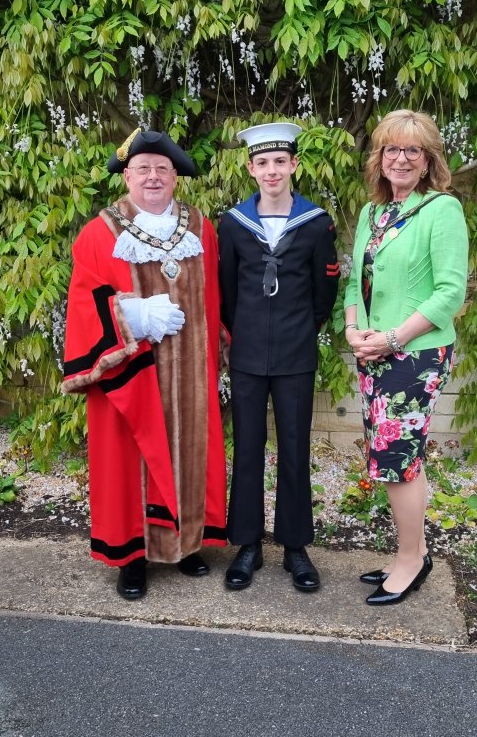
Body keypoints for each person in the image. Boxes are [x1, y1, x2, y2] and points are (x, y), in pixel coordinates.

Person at [63, 129, 227, 599]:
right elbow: (82, 299)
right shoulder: (101, 231)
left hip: (193, 371)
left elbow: (219, 294)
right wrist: (131, 315)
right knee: (129, 458)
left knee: (192, 450)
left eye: (162, 169)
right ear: (127, 176)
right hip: (131, 372)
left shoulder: (201, 227)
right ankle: (131, 557)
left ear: (175, 176)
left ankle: (187, 543)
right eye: (143, 170)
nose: (153, 177)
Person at [344, 109, 469, 606]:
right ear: (379, 159)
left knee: (398, 460)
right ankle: (408, 553)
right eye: (391, 149)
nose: (400, 158)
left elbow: (449, 294)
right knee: (394, 457)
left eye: (411, 151)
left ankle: (412, 561)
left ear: (427, 161)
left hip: (414, 352)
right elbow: (355, 281)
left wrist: (393, 338)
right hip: (372, 351)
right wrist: (354, 329)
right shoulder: (371, 214)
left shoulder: (441, 210)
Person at [218, 122, 340, 592]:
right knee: (247, 449)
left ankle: (295, 546)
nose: (272, 170)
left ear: (294, 165)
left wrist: (297, 332)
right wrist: (245, 336)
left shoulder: (316, 222)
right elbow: (228, 292)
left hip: (295, 355)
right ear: (251, 168)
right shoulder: (233, 224)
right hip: (247, 356)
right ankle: (246, 544)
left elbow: (323, 292)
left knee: (294, 449)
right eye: (262, 163)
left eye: (280, 162)